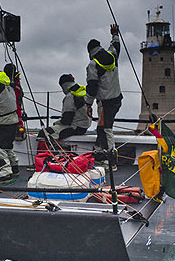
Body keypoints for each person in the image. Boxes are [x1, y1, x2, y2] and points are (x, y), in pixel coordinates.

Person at [84, 24, 122, 170]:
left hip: (105, 102)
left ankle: (110, 162)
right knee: (101, 127)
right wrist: (115, 34)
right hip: (117, 99)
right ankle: (100, 156)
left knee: (106, 128)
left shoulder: (93, 65)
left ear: (90, 51)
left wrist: (87, 104)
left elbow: (92, 87)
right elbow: (116, 45)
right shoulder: (112, 56)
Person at [37, 74, 91, 143]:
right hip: (83, 127)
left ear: (64, 86)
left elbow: (66, 120)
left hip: (74, 128)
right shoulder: (83, 93)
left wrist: (56, 123)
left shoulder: (70, 96)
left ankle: (45, 153)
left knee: (44, 133)